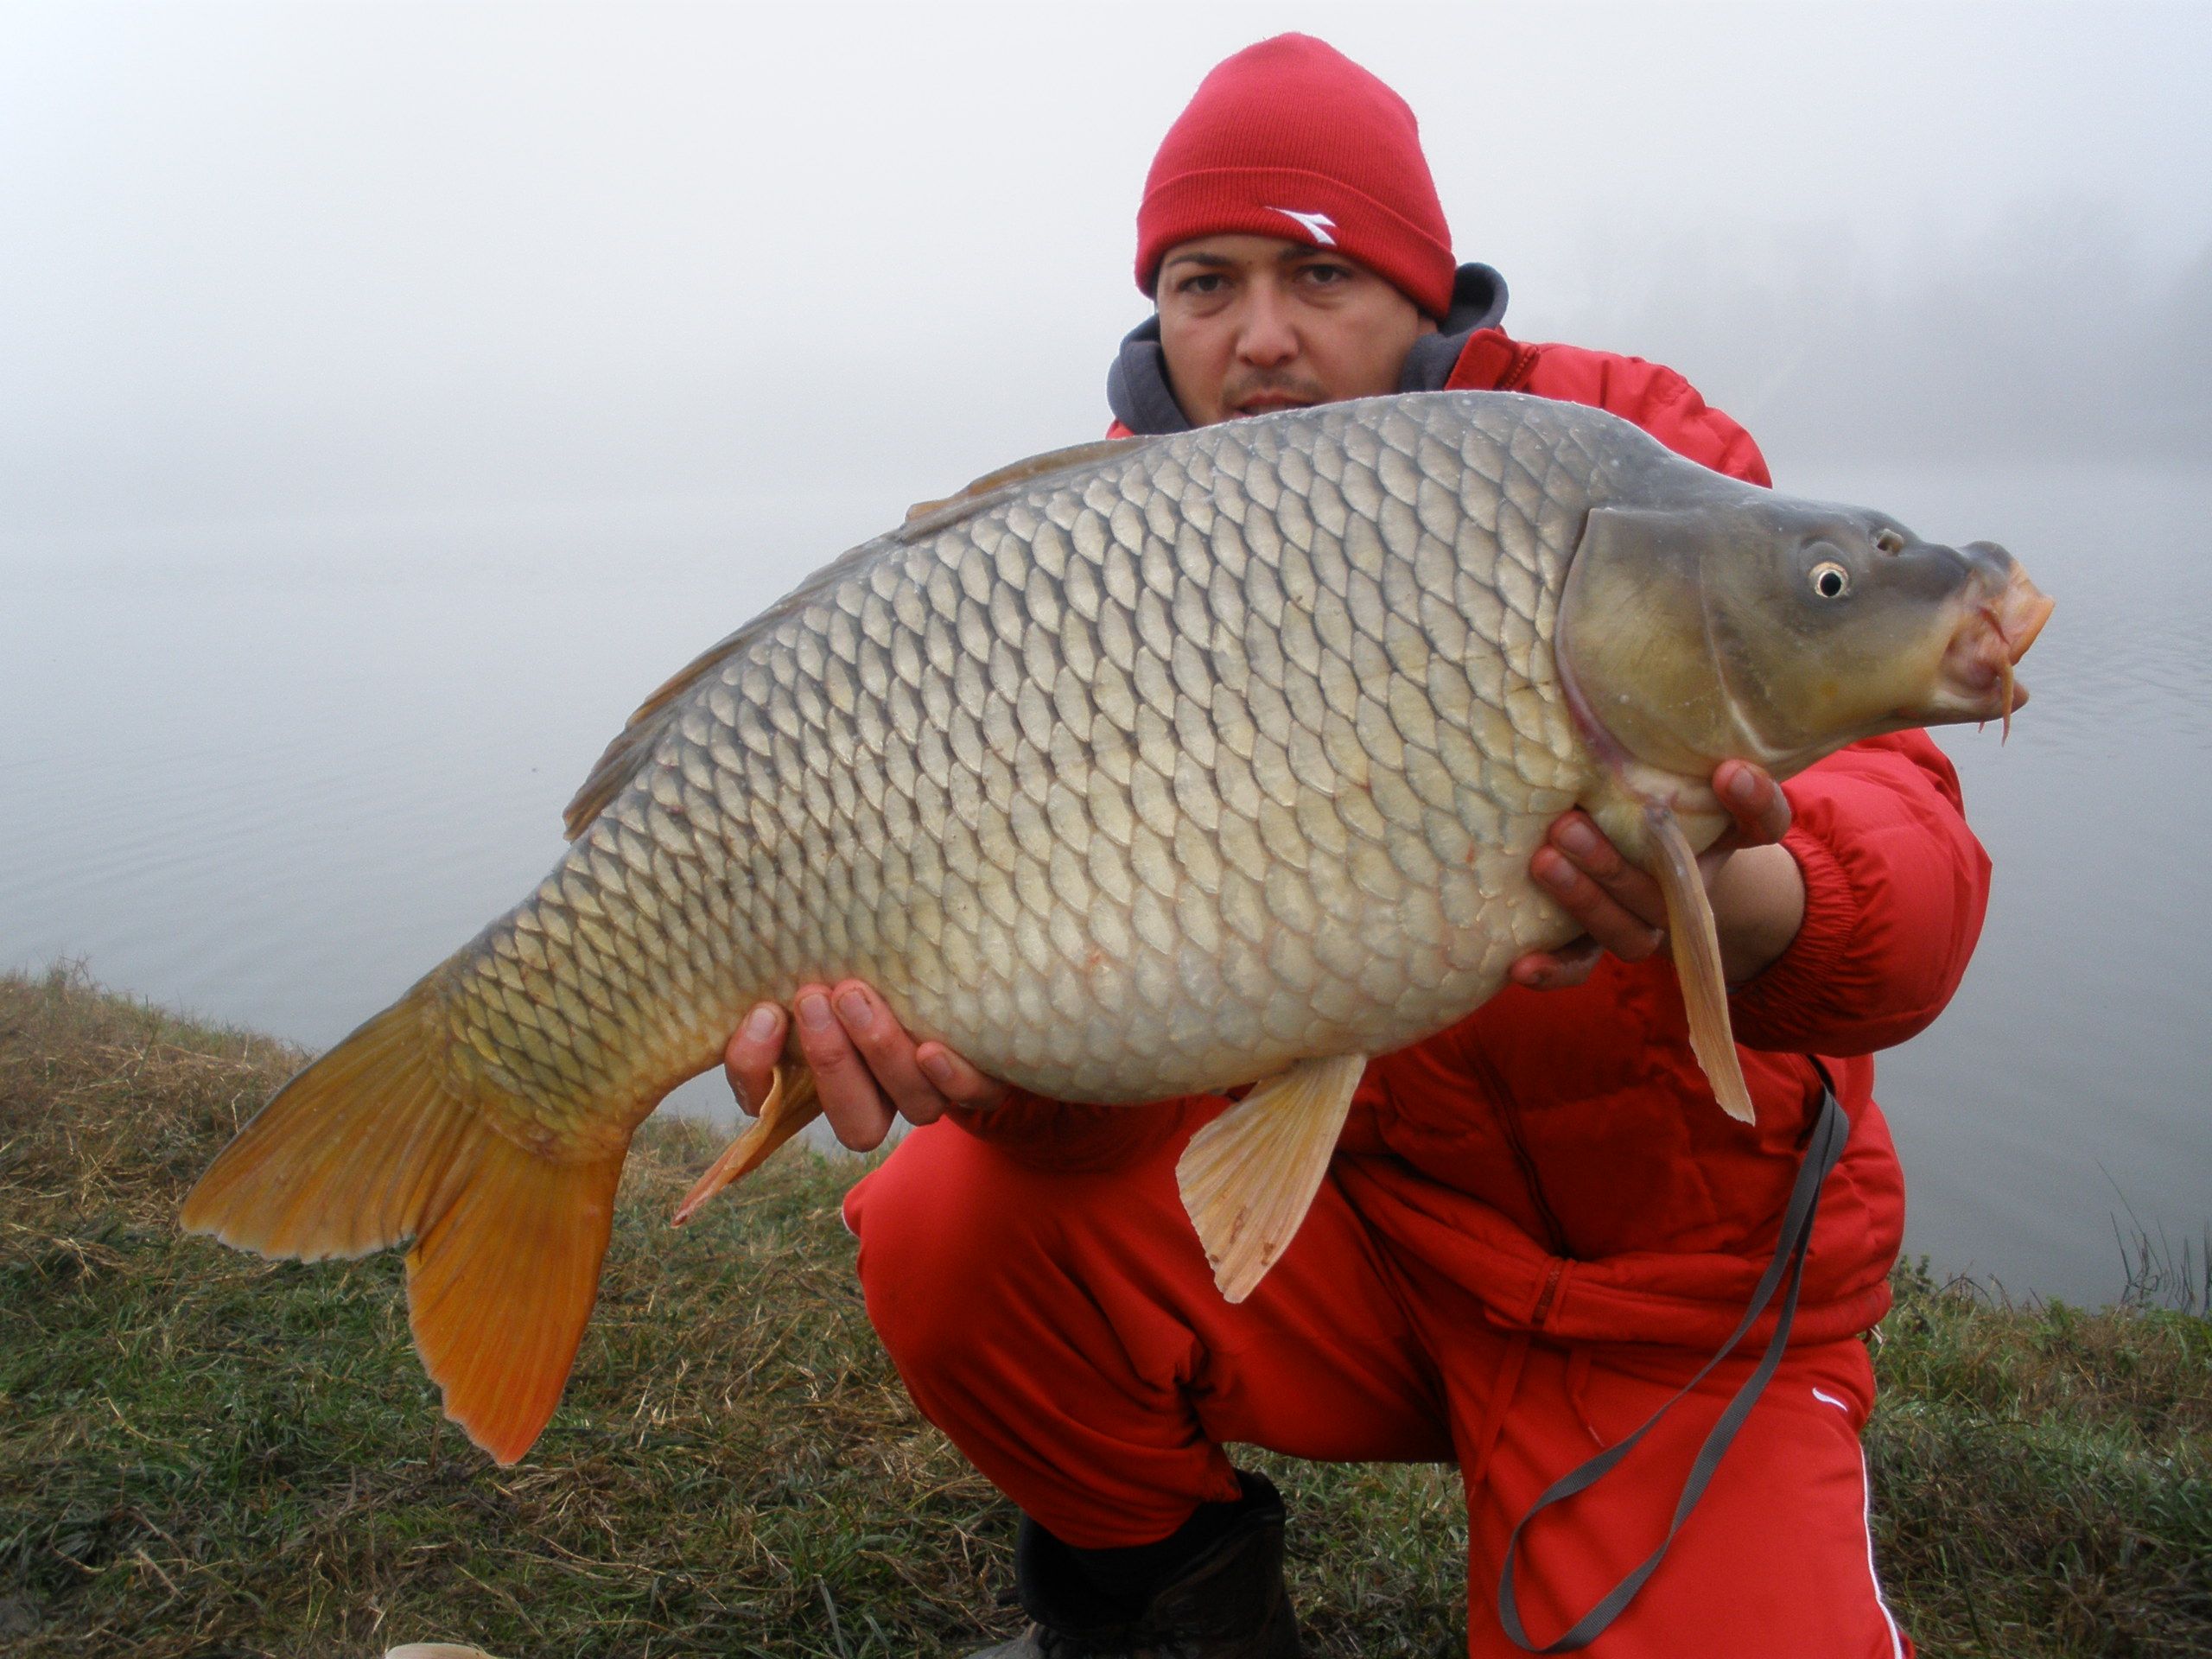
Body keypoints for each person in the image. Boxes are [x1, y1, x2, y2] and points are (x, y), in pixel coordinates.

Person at [721, 35, 1981, 1659]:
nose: (1259, 335)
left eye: (1319, 273)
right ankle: (1173, 1616)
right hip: (1353, 1251)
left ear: (1420, 293)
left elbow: (1917, 911)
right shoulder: (1099, 569)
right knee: (949, 1224)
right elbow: (1110, 1091)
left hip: (1676, 1308)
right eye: (1204, 283)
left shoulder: (1624, 464)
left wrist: (1737, 900)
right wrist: (985, 1069)